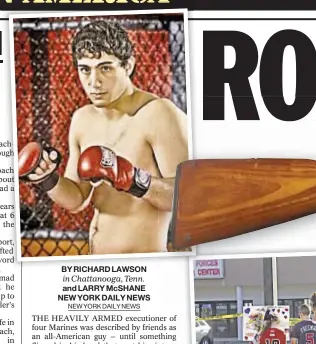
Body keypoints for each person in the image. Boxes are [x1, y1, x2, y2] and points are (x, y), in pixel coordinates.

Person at [18, 20, 188, 255]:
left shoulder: (159, 114)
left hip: (142, 268)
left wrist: (131, 178)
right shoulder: (82, 119)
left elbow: (188, 199)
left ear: (127, 65)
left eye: (105, 68)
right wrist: (48, 179)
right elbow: (77, 198)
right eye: (85, 69)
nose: (94, 82)